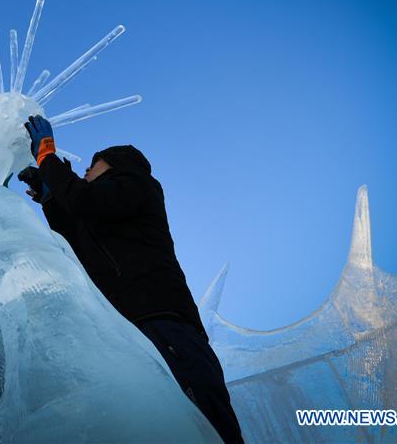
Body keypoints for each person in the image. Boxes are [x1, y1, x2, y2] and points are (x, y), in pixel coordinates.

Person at [19, 114, 244, 444]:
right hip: (127, 328)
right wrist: (51, 195)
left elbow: (85, 202)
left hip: (162, 322)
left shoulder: (138, 186)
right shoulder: (104, 209)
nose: (85, 173)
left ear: (115, 165)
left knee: (202, 420)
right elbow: (74, 237)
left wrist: (48, 157)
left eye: (91, 167)